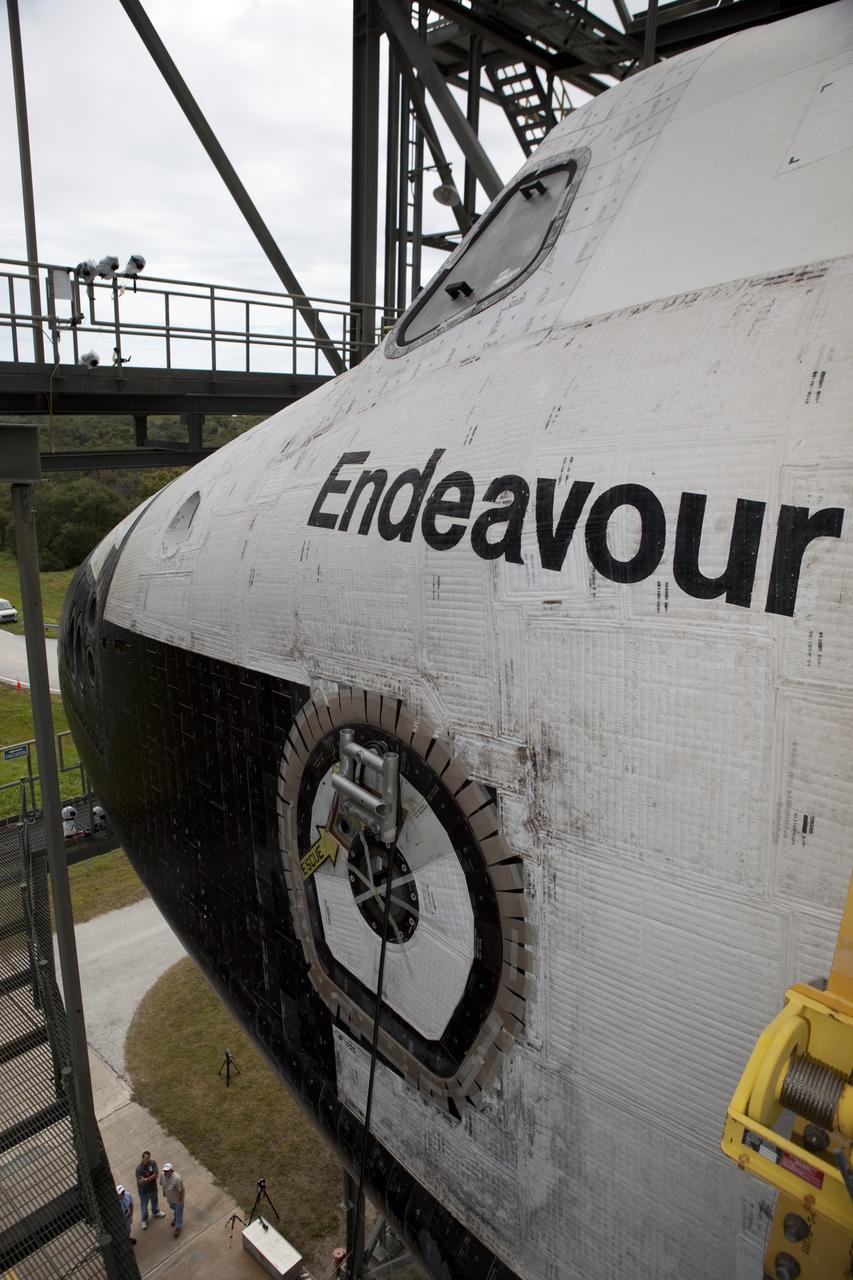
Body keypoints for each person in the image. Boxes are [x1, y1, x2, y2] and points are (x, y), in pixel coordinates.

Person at [135, 1150, 166, 1228]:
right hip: (144, 1192)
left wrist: (146, 1179)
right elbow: (140, 1183)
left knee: (155, 1202)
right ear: (142, 1158)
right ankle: (144, 1220)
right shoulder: (139, 1169)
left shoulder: (153, 1163)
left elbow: (156, 1174)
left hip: (153, 1189)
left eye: (148, 1158)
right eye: (145, 1158)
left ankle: (155, 1212)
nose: (147, 1160)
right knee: (144, 1208)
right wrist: (150, 1179)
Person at [160, 1162, 185, 1237]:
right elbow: (163, 1185)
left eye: (167, 1171)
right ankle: (176, 1217)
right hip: (170, 1199)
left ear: (172, 1171)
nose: (165, 1172)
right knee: (172, 1208)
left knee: (179, 1212)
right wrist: (164, 1192)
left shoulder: (177, 1179)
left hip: (177, 1200)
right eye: (164, 1171)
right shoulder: (162, 1175)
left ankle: (178, 1227)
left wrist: (181, 1199)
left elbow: (182, 1190)